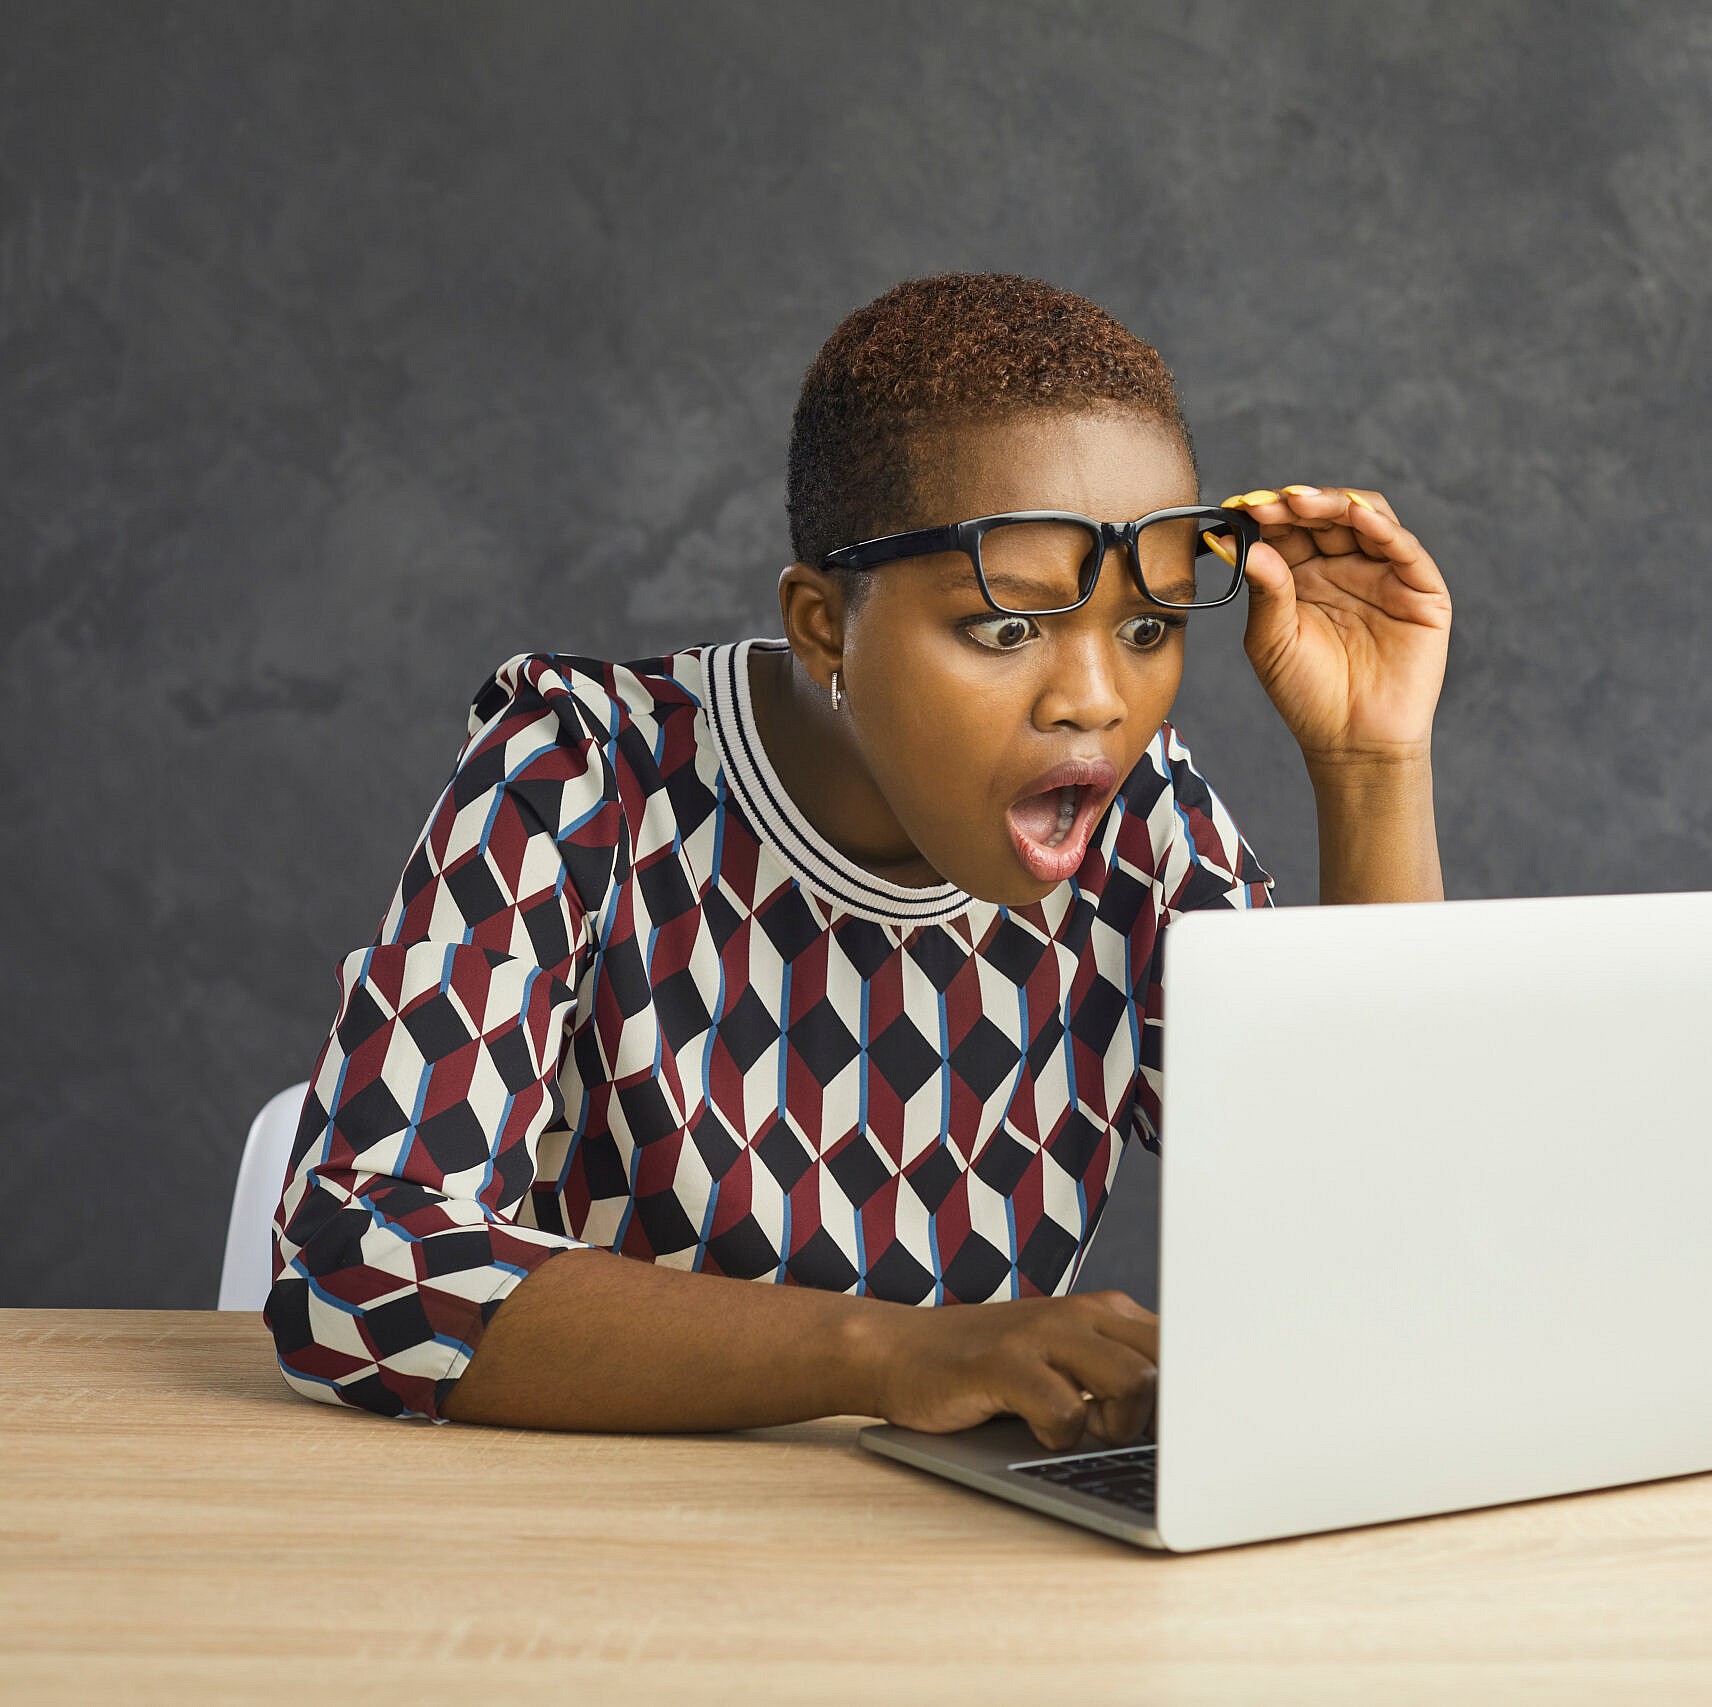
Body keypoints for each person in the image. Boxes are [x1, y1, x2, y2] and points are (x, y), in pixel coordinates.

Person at [263, 272, 1451, 1450]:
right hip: (590, 1548)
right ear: (824, 625)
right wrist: (892, 1353)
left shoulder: (1140, 826)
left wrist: (1370, 768)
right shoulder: (585, 770)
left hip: (941, 1557)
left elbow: (1373, 1233)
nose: (1094, 700)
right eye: (1004, 627)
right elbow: (356, 1265)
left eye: (1147, 628)